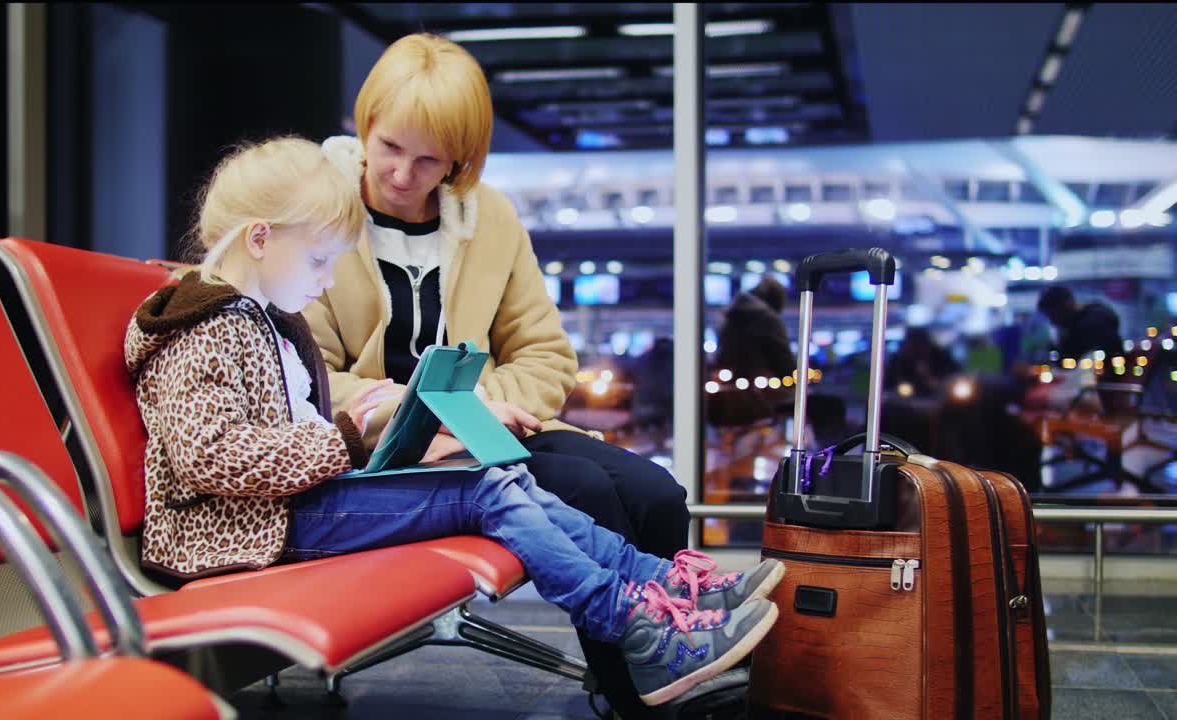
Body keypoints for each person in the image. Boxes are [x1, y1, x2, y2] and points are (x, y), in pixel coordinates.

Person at [124, 136, 784, 708]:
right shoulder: (201, 330)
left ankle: (659, 587)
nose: (326, 282)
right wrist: (348, 434)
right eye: (320, 259)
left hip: (287, 509)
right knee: (490, 490)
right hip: (243, 530)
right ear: (260, 239)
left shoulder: (262, 320)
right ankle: (641, 629)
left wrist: (369, 435)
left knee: (501, 480)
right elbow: (211, 458)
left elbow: (275, 442)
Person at [301, 33, 741, 717]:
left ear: (458, 161)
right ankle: (637, 697)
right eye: (389, 148)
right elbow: (311, 377)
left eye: (428, 160)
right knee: (592, 489)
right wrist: (434, 412)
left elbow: (544, 355)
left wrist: (479, 407)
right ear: (365, 128)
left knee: (657, 493)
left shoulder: (491, 220)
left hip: (489, 426)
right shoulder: (320, 214)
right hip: (382, 447)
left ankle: (675, 650)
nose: (400, 175)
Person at [1036, 285, 1124, 362]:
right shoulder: (1075, 326)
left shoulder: (1093, 323)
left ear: (1066, 306)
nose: (1052, 321)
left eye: (1053, 314)